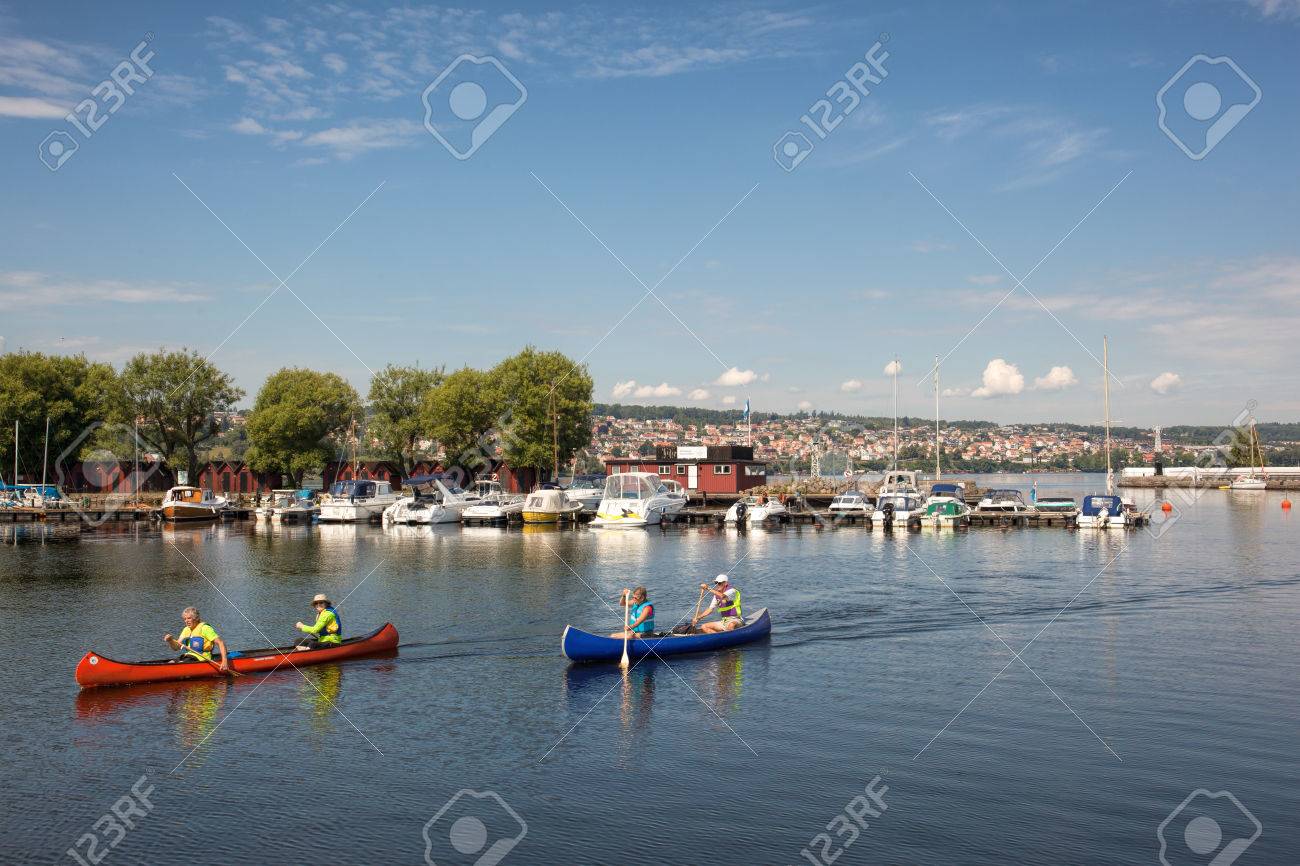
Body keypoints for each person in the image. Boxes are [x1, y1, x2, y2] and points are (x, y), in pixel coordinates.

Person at [164, 606, 229, 670]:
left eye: (189, 618)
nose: (186, 621)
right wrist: (170, 641)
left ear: (196, 618)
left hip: (202, 658)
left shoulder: (205, 628)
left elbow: (220, 643)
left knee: (180, 664)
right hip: (188, 656)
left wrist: (224, 661)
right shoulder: (186, 629)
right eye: (185, 619)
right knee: (171, 662)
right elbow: (176, 648)